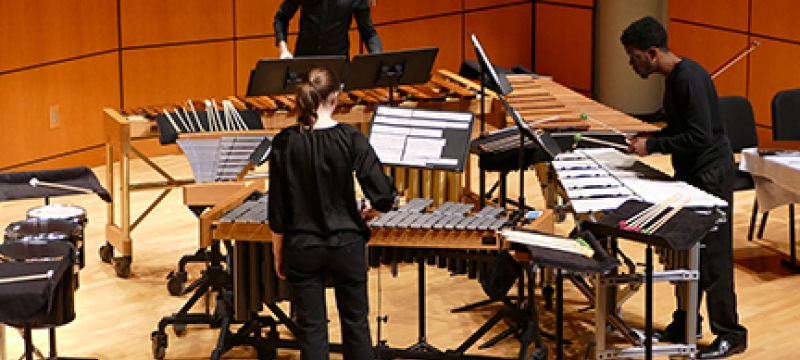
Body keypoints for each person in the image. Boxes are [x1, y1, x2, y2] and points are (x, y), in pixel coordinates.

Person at [621, 16, 748, 359]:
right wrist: (651, 138)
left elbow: (699, 136)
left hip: (711, 175)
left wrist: (654, 147)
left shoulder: (688, 78)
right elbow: (681, 129)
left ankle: (732, 334)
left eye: (634, 57)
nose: (632, 65)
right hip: (694, 174)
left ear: (651, 52)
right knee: (689, 250)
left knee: (714, 258)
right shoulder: (676, 77)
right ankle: (686, 321)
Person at [268, 66, 396, 360]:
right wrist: (368, 211)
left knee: (311, 330)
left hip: (302, 247)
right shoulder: (351, 138)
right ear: (335, 97)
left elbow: (278, 209)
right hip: (347, 245)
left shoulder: (285, 142)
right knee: (356, 326)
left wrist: (279, 252)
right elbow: (383, 195)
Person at [274, 0, 383, 59]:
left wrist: (377, 57)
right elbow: (281, 17)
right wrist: (283, 50)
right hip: (305, 65)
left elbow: (369, 34)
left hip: (337, 67)